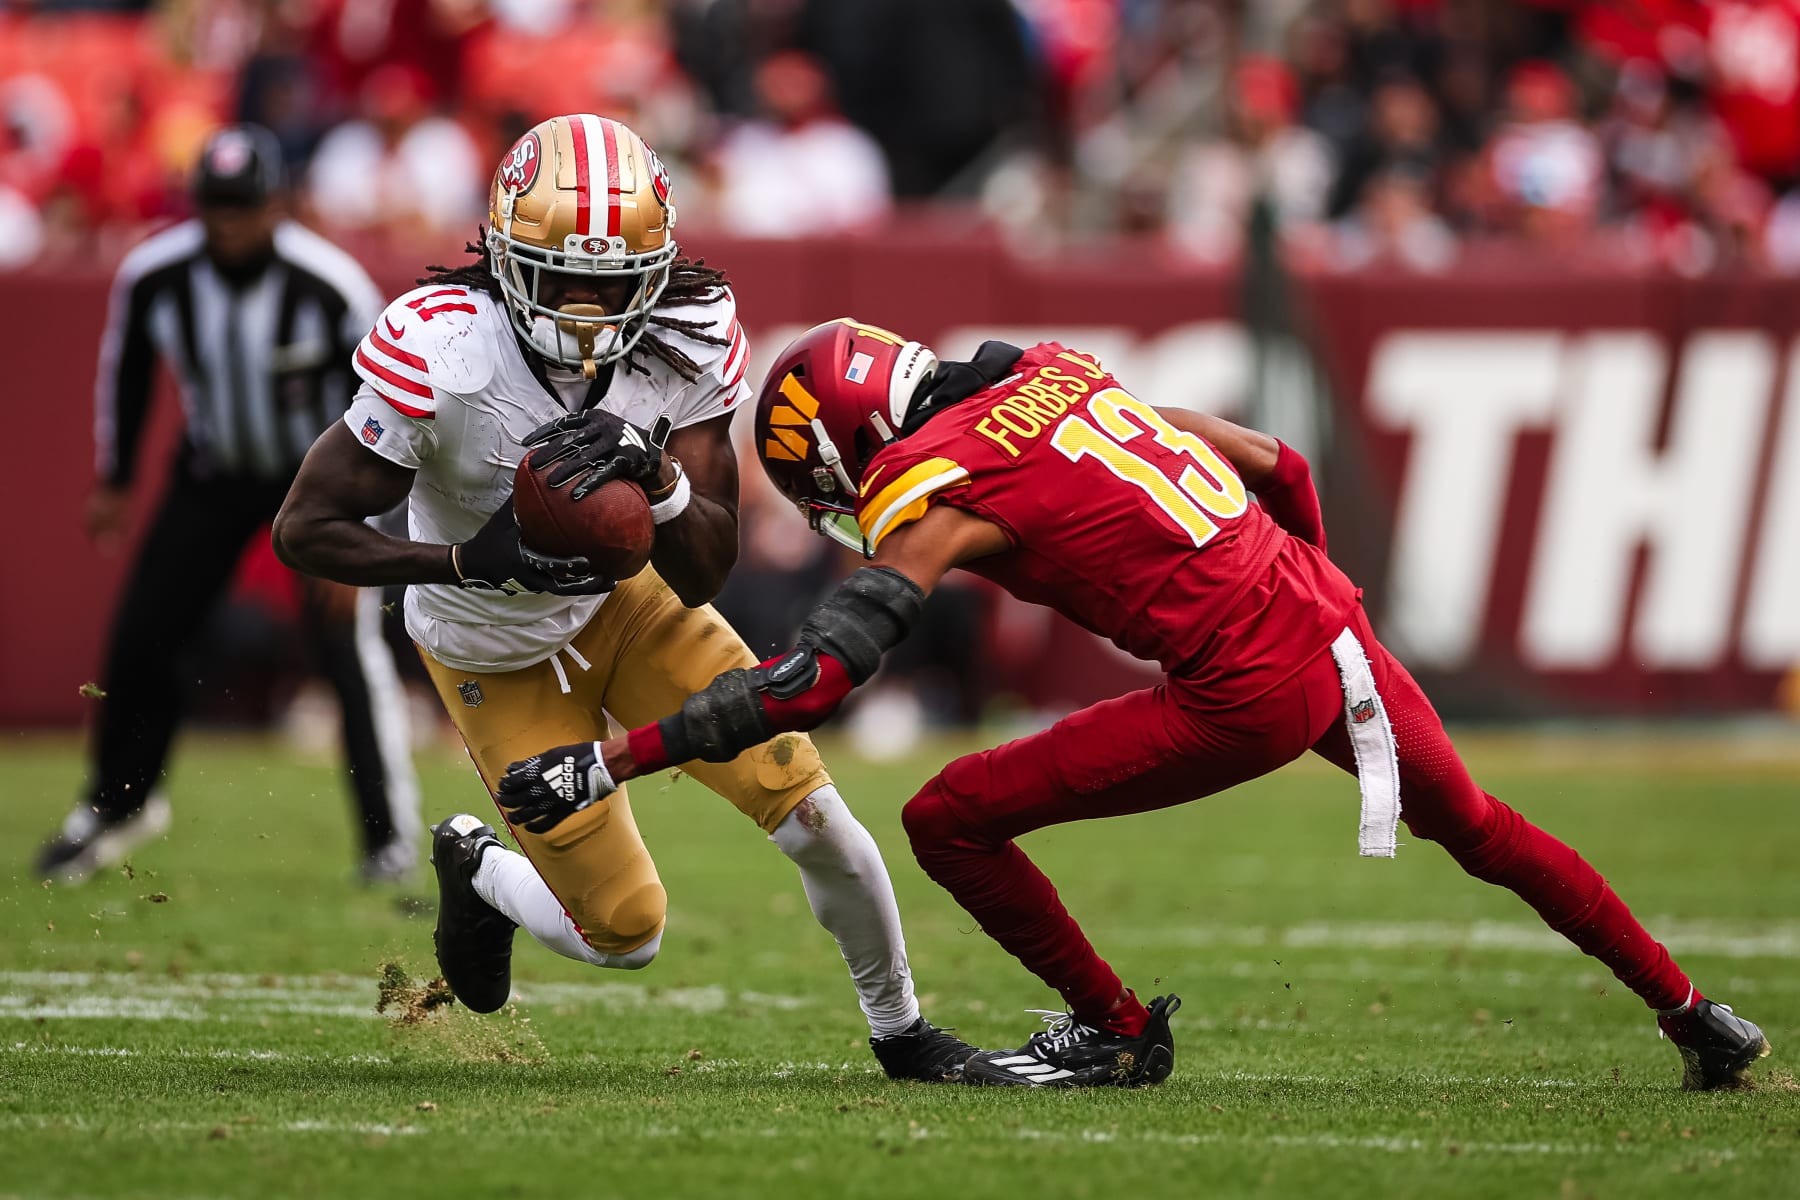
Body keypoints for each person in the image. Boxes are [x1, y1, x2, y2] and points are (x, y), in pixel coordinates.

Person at [497, 320, 1774, 1092]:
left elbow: (817, 678)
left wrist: (614, 761)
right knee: (1483, 828)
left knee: (948, 818)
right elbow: (1282, 463)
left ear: (843, 448)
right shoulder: (1058, 372)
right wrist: (1321, 594)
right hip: (1329, 628)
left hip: (1248, 684)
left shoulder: (929, 483)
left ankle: (1112, 1032)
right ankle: (1695, 1014)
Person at [271, 115, 972, 1082]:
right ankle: (477, 866)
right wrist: (469, 561)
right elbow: (303, 530)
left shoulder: (686, 333)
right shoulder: (441, 349)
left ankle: (902, 1033)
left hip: (630, 608)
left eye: (611, 283)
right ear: (505, 257)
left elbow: (705, 568)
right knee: (625, 934)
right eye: (560, 276)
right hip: (490, 648)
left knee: (817, 818)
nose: (587, 306)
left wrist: (662, 479)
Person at [37, 124, 420, 886]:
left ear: (277, 205)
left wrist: (363, 528)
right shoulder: (157, 274)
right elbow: (129, 369)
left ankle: (388, 839)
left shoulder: (328, 283)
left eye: (243, 206)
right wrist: (115, 476)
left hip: (315, 483)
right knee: (144, 633)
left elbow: (389, 401)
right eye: (215, 205)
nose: (229, 223)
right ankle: (118, 805)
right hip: (213, 473)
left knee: (348, 650)